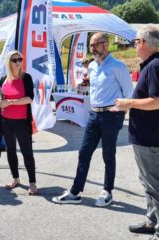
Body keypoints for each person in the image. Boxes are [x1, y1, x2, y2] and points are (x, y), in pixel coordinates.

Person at [52, 32, 134, 207]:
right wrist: (87, 84)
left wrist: (119, 113)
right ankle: (75, 192)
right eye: (91, 45)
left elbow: (129, 94)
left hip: (111, 115)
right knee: (84, 152)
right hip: (93, 114)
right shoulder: (92, 67)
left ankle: (107, 191)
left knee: (108, 154)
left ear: (106, 44)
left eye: (96, 44)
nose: (93, 48)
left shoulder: (118, 67)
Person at [114, 25, 159, 240]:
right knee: (148, 182)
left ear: (145, 43)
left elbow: (158, 102)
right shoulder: (151, 65)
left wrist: (129, 103)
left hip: (150, 136)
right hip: (144, 135)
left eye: (136, 41)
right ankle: (151, 221)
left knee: (155, 186)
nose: (133, 45)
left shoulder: (156, 66)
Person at [0, 50, 37, 195]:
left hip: (22, 122)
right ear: (9, 62)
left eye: (20, 59)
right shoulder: (3, 79)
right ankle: (15, 179)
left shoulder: (26, 78)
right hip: (6, 121)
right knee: (11, 151)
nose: (18, 62)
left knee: (27, 152)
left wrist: (10, 102)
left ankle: (32, 183)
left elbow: (30, 98)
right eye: (15, 60)